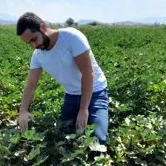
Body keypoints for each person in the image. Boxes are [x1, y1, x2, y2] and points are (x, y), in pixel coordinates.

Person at [16, 12, 109, 147]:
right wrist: (23, 110)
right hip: (71, 95)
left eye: (34, 39)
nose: (34, 46)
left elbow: (88, 73)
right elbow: (31, 84)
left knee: (98, 141)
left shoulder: (71, 37)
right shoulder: (38, 56)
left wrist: (83, 109)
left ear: (42, 27)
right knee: (64, 136)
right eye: (29, 43)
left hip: (95, 92)